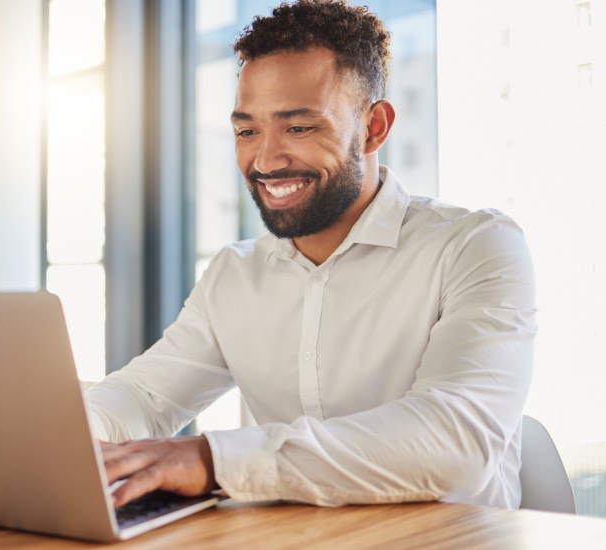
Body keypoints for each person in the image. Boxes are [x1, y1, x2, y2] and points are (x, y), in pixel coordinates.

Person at [86, 0, 536, 510]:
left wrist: (215, 461)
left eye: (298, 128)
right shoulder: (236, 275)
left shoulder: (476, 247)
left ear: (374, 128)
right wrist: (70, 436)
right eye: (246, 131)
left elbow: (456, 442)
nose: (265, 159)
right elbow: (145, 398)